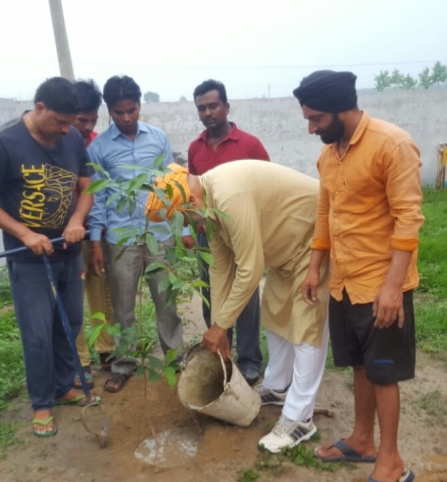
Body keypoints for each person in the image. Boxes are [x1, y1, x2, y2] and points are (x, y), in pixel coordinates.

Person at [146, 160, 330, 452]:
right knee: (277, 314)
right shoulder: (209, 205)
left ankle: (300, 419)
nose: (190, 225)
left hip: (314, 237)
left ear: (191, 201)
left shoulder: (228, 195)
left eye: (184, 217)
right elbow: (220, 268)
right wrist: (219, 325)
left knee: (306, 324)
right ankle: (278, 387)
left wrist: (221, 326)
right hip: (286, 248)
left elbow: (250, 270)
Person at [293, 70, 423, 482]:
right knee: (361, 367)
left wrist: (392, 289)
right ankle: (363, 440)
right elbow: (324, 213)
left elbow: (409, 219)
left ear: (340, 110)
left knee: (384, 372)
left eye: (316, 119)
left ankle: (392, 461)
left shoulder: (392, 144)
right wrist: (315, 268)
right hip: (344, 284)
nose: (312, 128)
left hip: (382, 285)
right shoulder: (329, 155)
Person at [0, 77, 96, 437]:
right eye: (60, 121)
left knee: (70, 322)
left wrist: (76, 219)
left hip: (68, 252)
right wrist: (26, 234)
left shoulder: (71, 136)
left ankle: (63, 386)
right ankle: (42, 402)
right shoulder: (3, 141)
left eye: (70, 123)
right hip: (29, 258)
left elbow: (88, 187)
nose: (66, 130)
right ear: (39, 108)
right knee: (38, 332)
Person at [87, 75, 183, 393]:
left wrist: (177, 228)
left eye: (132, 110)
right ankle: (124, 363)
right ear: (109, 111)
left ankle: (174, 359)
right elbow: (98, 198)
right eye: (119, 112)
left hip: (158, 235)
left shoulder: (157, 138)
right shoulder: (99, 148)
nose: (127, 118)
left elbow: (171, 186)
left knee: (166, 302)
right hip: (120, 238)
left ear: (140, 105)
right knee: (123, 305)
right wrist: (96, 241)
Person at [184, 79, 270, 385]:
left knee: (245, 294)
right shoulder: (196, 148)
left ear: (226, 107)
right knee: (212, 290)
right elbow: (192, 190)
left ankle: (249, 359)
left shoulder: (249, 145)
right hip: (209, 233)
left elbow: (267, 186)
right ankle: (221, 351)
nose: (207, 112)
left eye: (213, 105)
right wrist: (188, 227)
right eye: (201, 108)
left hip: (244, 231)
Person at [72, 79, 115, 389]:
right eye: (81, 119)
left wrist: (97, 235)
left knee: (102, 294)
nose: (87, 126)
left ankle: (107, 352)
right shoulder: (55, 144)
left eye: (92, 120)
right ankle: (80, 361)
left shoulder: (96, 145)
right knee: (73, 297)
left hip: (94, 232)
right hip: (64, 238)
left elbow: (101, 193)